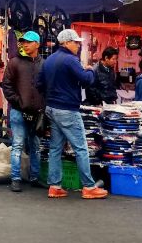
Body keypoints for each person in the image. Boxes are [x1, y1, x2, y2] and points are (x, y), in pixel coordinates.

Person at [37, 29, 108, 199]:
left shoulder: (49, 61)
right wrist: (90, 69)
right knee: (81, 148)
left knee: (55, 148)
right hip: (67, 109)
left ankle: (55, 186)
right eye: (76, 42)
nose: (78, 45)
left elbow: (39, 83)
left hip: (52, 108)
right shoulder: (70, 60)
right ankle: (89, 187)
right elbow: (87, 80)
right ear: (67, 43)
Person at [0, 31, 45, 192]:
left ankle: (35, 177)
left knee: (35, 146)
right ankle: (16, 178)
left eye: (28, 42)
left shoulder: (43, 64)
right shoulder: (14, 62)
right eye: (23, 42)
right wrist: (18, 102)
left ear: (37, 44)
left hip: (37, 112)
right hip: (19, 111)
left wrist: (42, 106)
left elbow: (46, 88)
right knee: (18, 145)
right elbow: (6, 86)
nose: (24, 44)